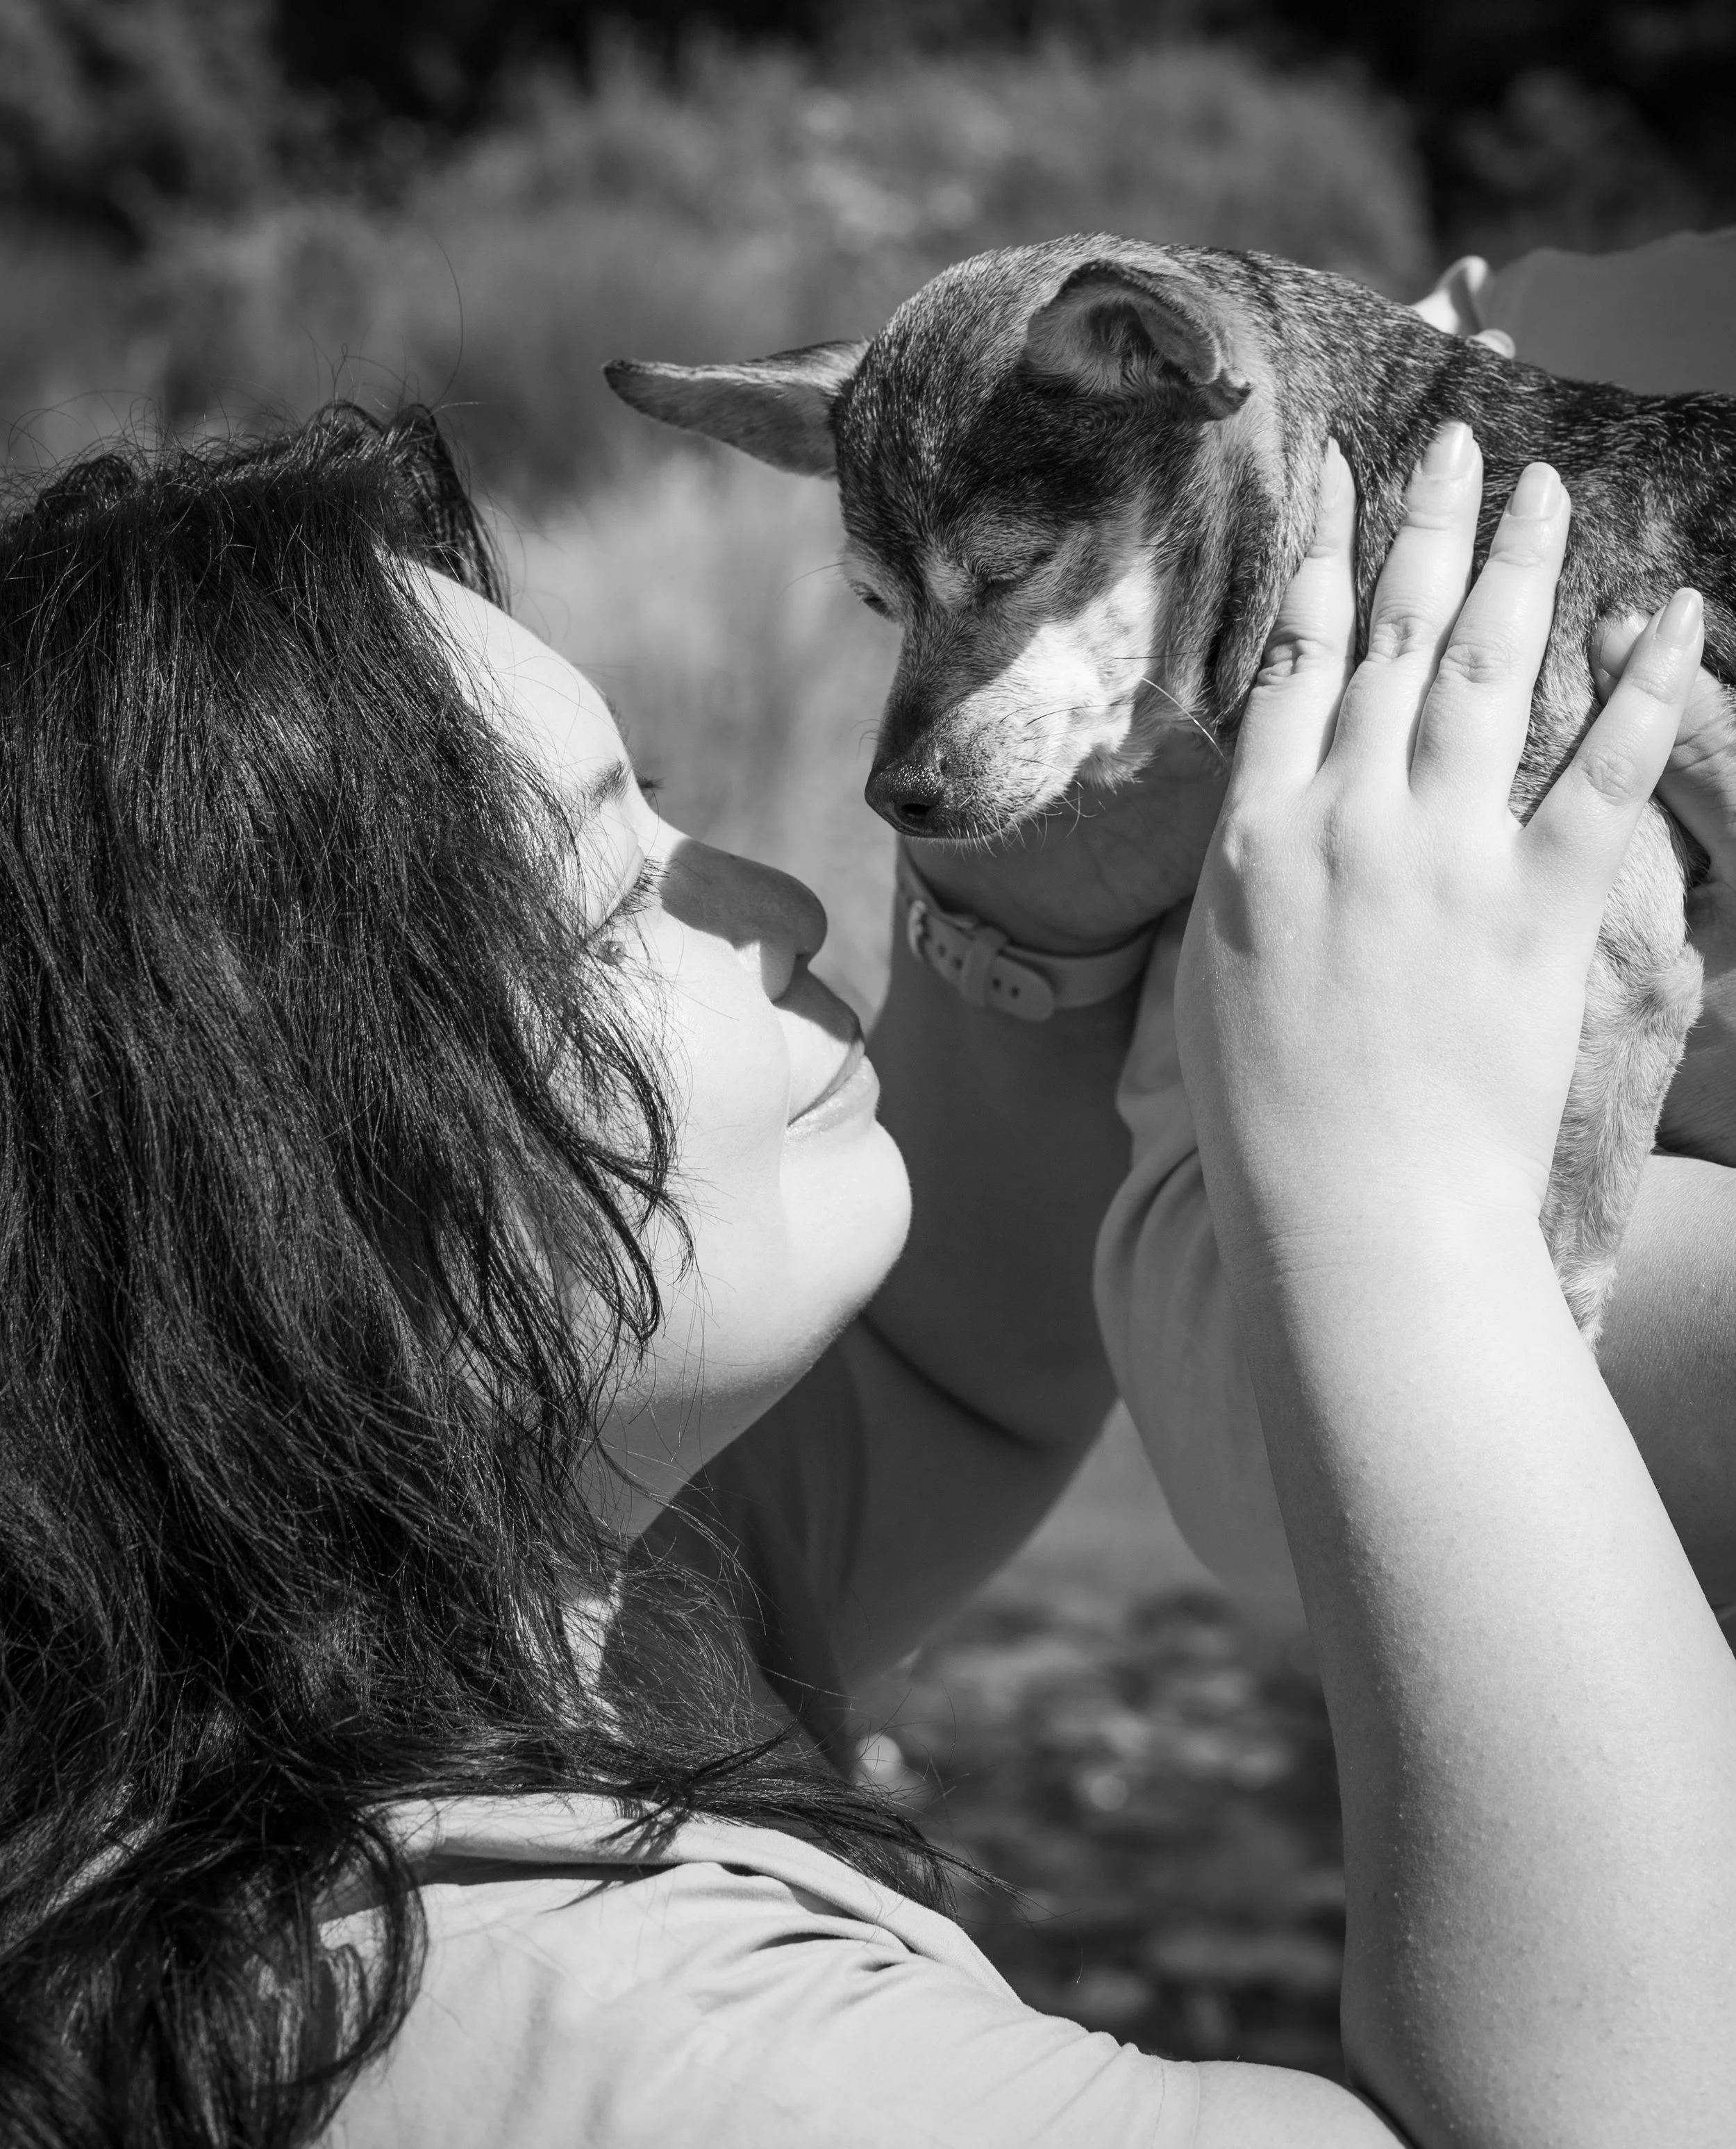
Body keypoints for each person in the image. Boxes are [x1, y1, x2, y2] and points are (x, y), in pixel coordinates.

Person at [4, 396, 1735, 2149]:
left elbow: (946, 1372)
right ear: (292, 1189)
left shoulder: (433, 1600)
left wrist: (1047, 899)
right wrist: (1413, 1201)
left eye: (669, 799)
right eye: (613, 895)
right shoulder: (626, 2056)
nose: (773, 897)